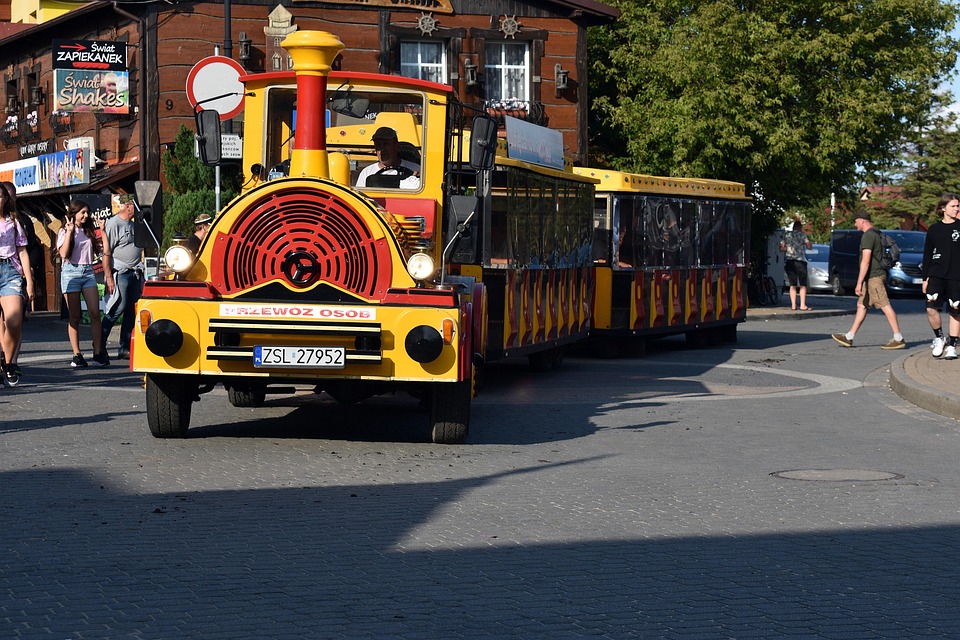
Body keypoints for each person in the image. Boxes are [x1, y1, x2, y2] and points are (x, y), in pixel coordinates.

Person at [831, 211, 905, 350]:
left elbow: (866, 261)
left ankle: (898, 338)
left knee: (885, 305)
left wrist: (859, 283)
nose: (855, 224)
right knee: (862, 305)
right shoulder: (876, 233)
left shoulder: (868, 236)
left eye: (856, 221)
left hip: (874, 277)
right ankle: (849, 337)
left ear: (862, 220)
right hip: (872, 276)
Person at [57, 199, 108, 368]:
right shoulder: (64, 230)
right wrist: (70, 232)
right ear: (74, 214)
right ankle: (77, 354)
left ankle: (98, 352)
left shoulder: (89, 231)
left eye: (87, 213)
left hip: (88, 271)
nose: (86, 216)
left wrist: (103, 231)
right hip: (70, 271)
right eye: (82, 213)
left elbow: (103, 251)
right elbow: (64, 253)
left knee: (95, 313)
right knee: (75, 316)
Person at [101, 193, 144, 361]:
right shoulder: (114, 224)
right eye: (135, 205)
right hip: (120, 272)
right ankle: (100, 344)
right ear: (128, 206)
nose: (137, 209)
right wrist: (109, 277)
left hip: (134, 272)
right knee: (117, 307)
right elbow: (106, 252)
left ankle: (124, 347)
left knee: (131, 310)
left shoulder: (133, 225)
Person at [0, 184, 34, 385]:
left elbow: (22, 251)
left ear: (5, 199)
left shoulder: (13, 222)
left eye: (0, 196)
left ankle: (8, 362)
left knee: (14, 321)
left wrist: (29, 282)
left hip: (10, 271)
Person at [921, 193, 960, 358]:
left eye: (958, 206)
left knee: (955, 310)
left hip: (956, 275)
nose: (956, 209)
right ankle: (939, 337)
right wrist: (925, 279)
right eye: (953, 206)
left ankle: (952, 346)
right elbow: (927, 255)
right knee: (931, 308)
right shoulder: (934, 229)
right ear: (943, 208)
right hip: (936, 274)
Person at [355, 127, 420, 189]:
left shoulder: (415, 169)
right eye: (378, 145)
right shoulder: (367, 172)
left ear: (396, 146)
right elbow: (360, 194)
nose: (382, 149)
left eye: (386, 144)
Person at [779, 220, 813, 310]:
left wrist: (788, 249)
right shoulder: (802, 235)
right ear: (800, 227)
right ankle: (802, 305)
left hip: (789, 261)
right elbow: (809, 247)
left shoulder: (786, 235)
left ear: (793, 227)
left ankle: (793, 305)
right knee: (802, 284)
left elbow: (781, 248)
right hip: (800, 261)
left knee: (792, 284)